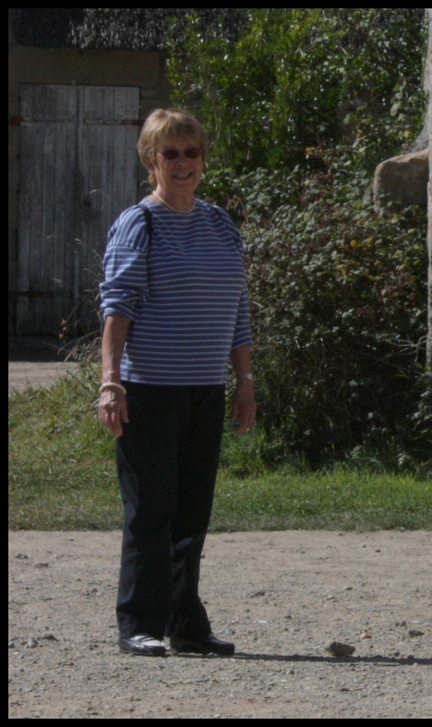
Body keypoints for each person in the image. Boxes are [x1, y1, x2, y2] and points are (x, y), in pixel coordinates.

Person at [98, 108, 256, 657]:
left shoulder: (219, 224)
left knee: (192, 509)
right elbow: (117, 307)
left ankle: (186, 623)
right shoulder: (138, 224)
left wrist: (244, 378)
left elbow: (238, 308)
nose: (183, 163)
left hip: (204, 388)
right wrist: (111, 382)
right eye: (171, 153)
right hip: (150, 389)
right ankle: (139, 622)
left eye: (191, 152)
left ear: (203, 159)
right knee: (152, 508)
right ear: (151, 161)